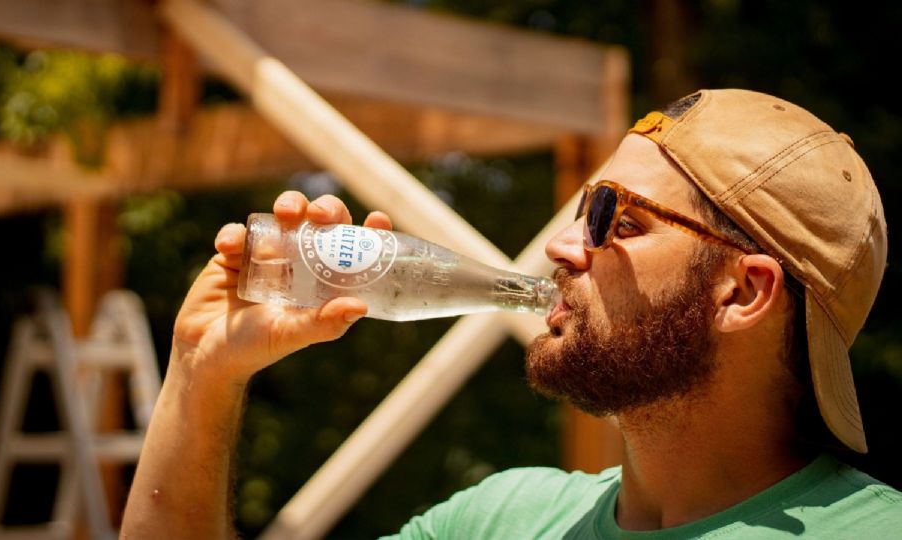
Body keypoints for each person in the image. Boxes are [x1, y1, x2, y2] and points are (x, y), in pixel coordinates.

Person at [120, 89, 901, 539]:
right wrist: (202, 373)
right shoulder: (500, 520)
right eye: (581, 208)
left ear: (744, 292)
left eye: (615, 220)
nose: (563, 246)